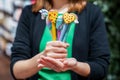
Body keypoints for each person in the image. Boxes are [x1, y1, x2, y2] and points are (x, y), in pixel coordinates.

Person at [10, 0, 110, 80]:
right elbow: (17, 71)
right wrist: (42, 58)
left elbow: (101, 67)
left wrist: (76, 66)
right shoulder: (30, 13)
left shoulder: (92, 13)